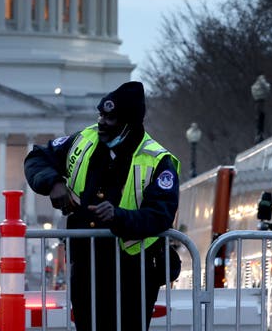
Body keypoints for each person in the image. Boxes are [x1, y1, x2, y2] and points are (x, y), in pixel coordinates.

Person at [24, 82, 180, 331]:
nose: (102, 122)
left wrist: (119, 217)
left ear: (129, 124)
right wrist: (53, 183)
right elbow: (37, 157)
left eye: (110, 118)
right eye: (101, 115)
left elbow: (160, 215)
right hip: (86, 266)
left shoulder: (157, 160)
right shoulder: (84, 140)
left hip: (133, 272)